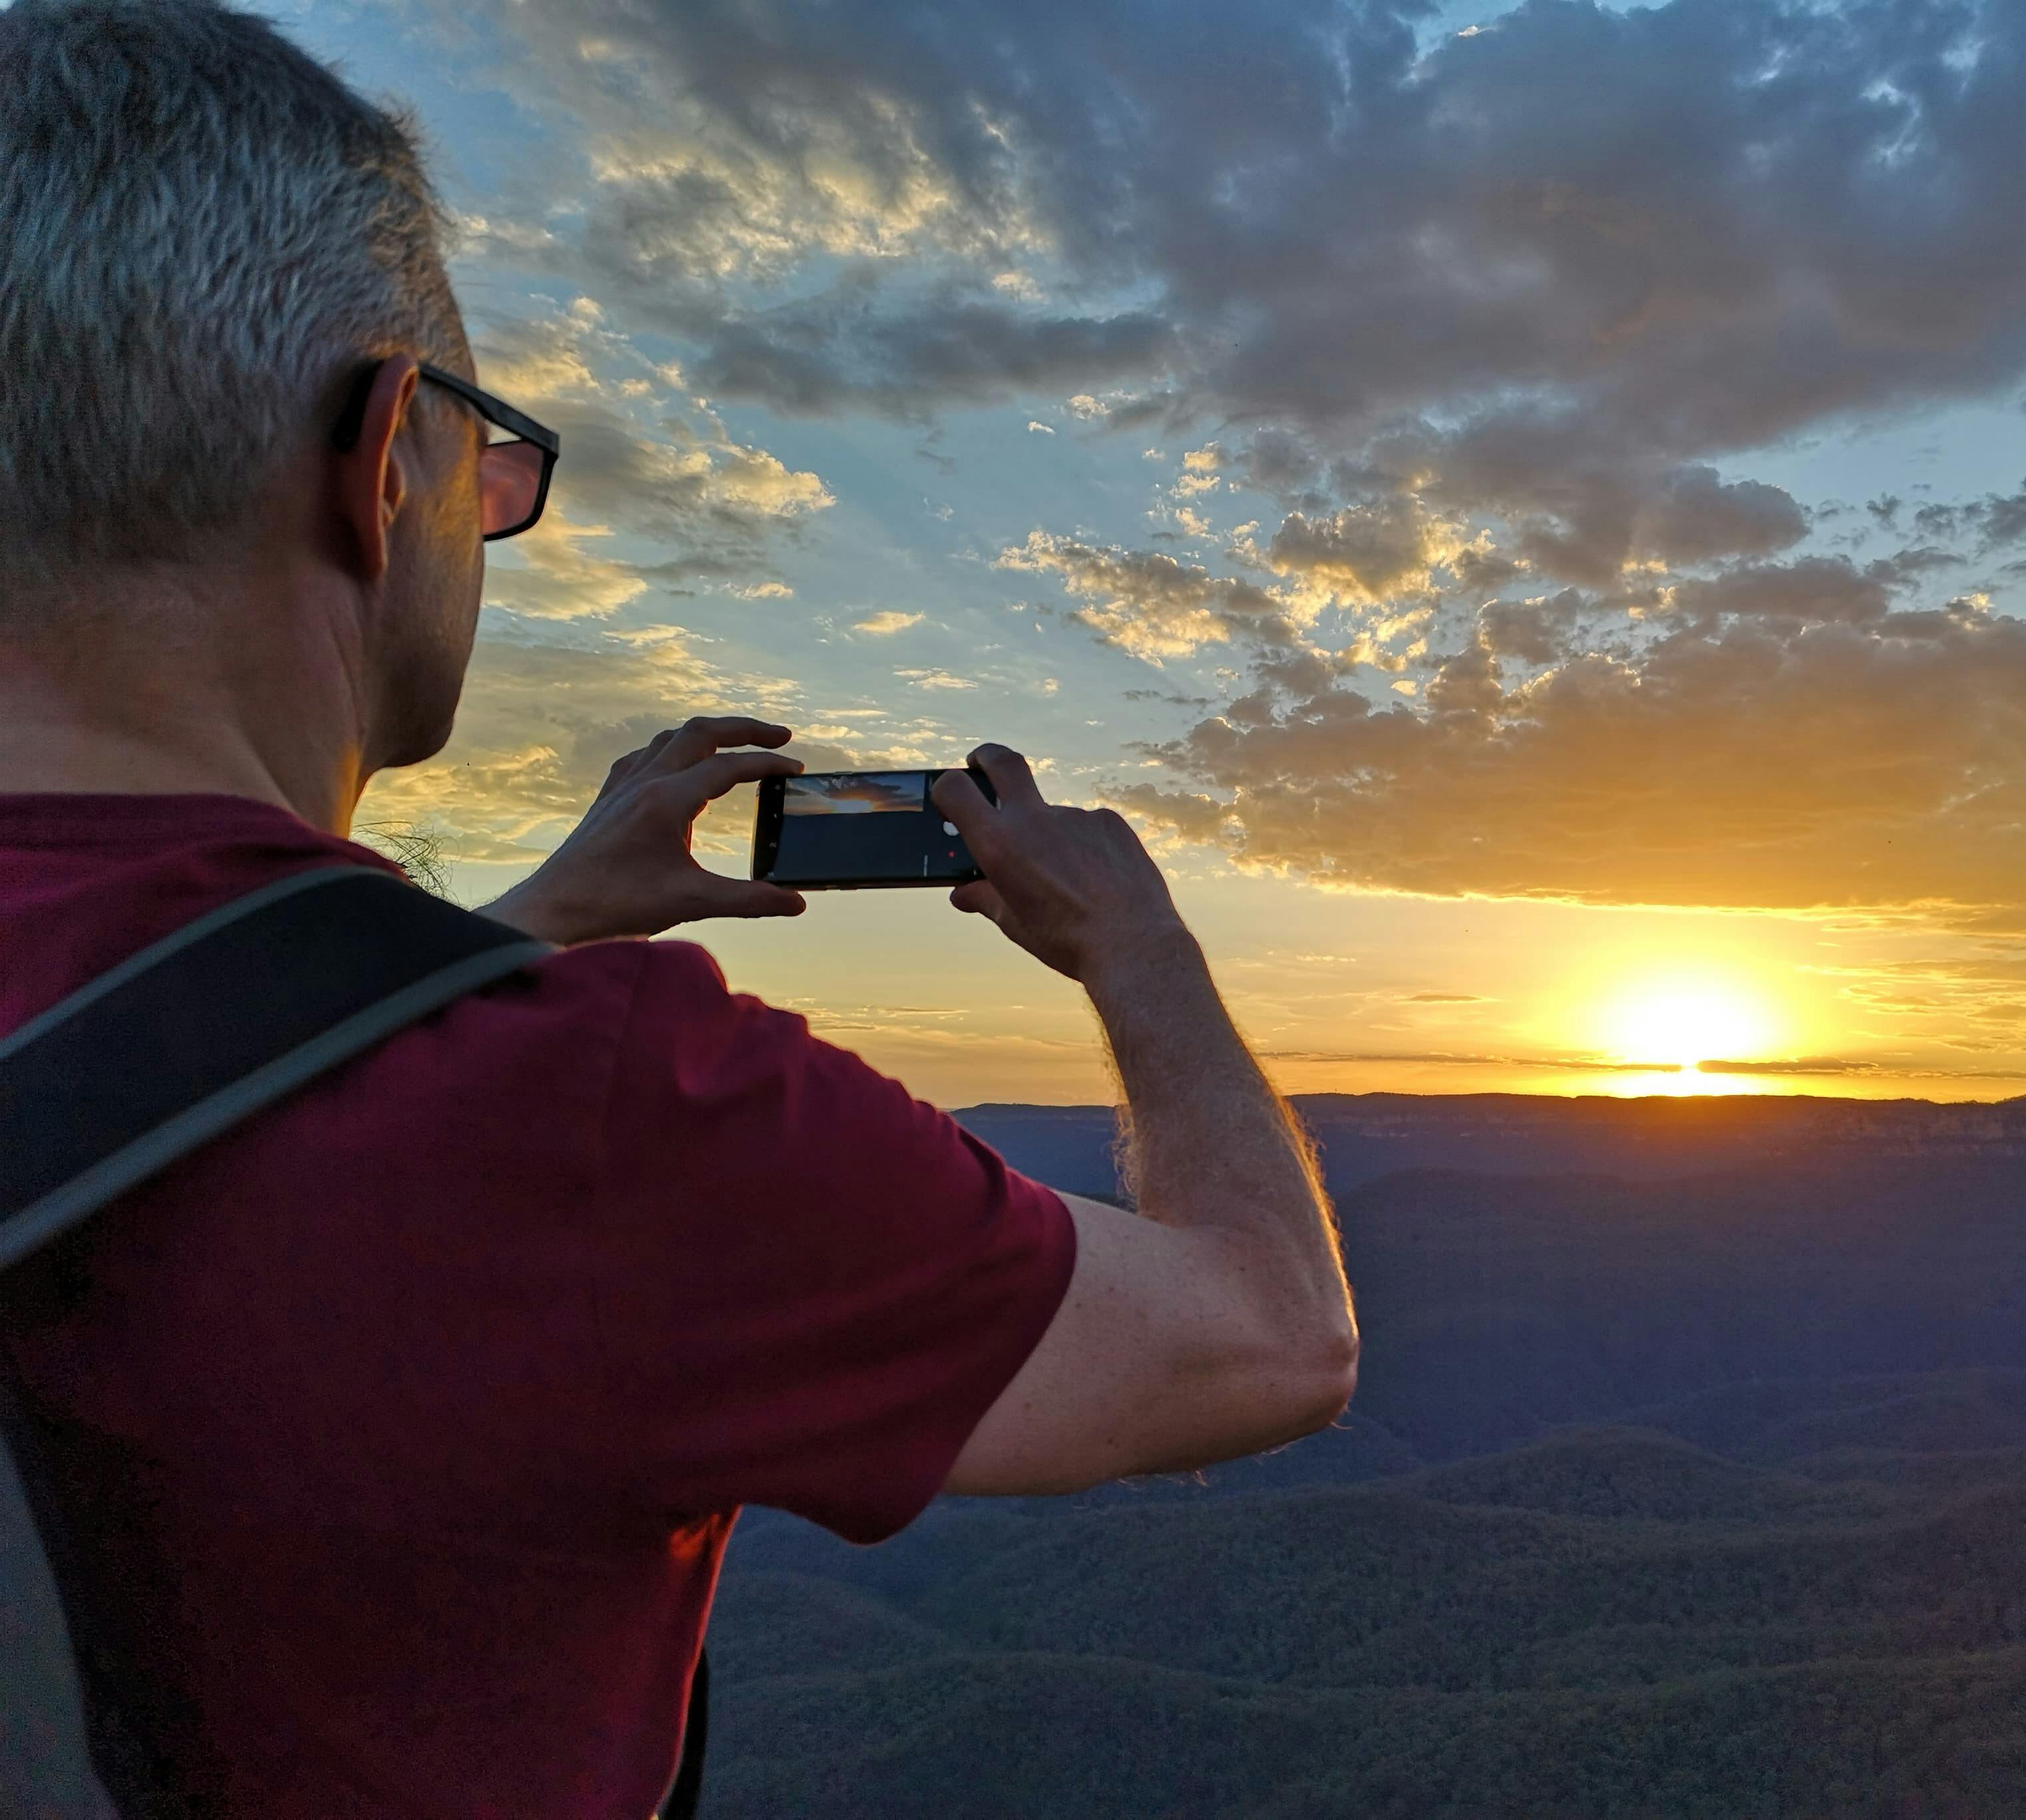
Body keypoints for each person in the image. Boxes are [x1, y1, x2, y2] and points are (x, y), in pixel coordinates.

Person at [0, 2, 1359, 1813]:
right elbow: (1269, 1334)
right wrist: (1144, 949)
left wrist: (516, 919)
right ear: (384, 451)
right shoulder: (599, 1117)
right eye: (487, 471)